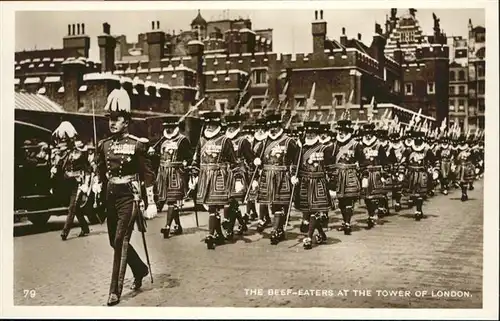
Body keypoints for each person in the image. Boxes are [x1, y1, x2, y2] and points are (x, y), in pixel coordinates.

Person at [94, 87, 156, 306]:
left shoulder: (136, 144)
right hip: (111, 196)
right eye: (110, 119)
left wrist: (151, 201)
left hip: (129, 197)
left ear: (126, 121)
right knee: (114, 240)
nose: (112, 123)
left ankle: (114, 291)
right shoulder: (104, 145)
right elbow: (101, 171)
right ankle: (140, 268)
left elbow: (148, 174)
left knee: (121, 240)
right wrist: (95, 186)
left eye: (117, 119)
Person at [190, 111, 237, 249]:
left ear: (217, 125)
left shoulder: (225, 140)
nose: (209, 127)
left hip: (220, 176)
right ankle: (218, 235)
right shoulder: (201, 140)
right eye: (207, 124)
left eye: (212, 124)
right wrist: (194, 175)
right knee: (212, 207)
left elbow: (233, 161)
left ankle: (211, 234)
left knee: (214, 206)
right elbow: (196, 159)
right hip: (205, 176)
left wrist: (238, 178)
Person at [253, 113, 299, 245]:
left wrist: (294, 174)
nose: (272, 129)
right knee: (273, 203)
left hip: (283, 175)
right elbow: (257, 159)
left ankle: (276, 229)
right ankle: (278, 228)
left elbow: (295, 159)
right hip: (267, 175)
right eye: (270, 126)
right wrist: (256, 169)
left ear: (279, 126)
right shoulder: (263, 142)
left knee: (280, 203)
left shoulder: (289, 141)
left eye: (275, 126)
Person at [291, 121, 334, 249]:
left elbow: (331, 168)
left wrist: (332, 186)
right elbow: (295, 165)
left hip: (319, 182)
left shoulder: (324, 148)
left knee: (314, 211)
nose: (309, 135)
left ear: (317, 134)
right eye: (308, 133)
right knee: (307, 211)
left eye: (312, 133)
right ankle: (321, 233)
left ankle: (308, 237)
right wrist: (294, 176)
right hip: (304, 183)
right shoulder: (301, 148)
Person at [151, 116, 192, 239]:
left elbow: (189, 157)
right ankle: (178, 226)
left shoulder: (183, 140)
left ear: (175, 127)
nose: (168, 129)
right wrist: (153, 153)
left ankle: (167, 226)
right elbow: (159, 157)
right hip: (163, 173)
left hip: (176, 173)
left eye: (171, 127)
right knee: (170, 201)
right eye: (166, 127)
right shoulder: (162, 141)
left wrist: (185, 165)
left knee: (172, 200)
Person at [51, 121, 91, 241]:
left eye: (65, 140)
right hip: (67, 184)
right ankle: (85, 228)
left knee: (72, 208)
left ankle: (65, 232)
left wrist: (86, 184)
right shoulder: (61, 154)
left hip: (78, 183)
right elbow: (59, 167)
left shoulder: (79, 152)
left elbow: (88, 168)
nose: (62, 143)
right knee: (76, 208)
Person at [328, 120, 362, 235]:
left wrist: (365, 175)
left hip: (350, 174)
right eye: (339, 131)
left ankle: (347, 223)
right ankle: (345, 221)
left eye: (344, 131)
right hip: (337, 175)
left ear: (348, 132)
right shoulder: (333, 145)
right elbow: (330, 161)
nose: (341, 133)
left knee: (349, 199)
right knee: (341, 200)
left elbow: (363, 161)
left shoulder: (356, 145)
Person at [223, 114, 254, 239]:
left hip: (238, 174)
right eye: (229, 126)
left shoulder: (243, 141)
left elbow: (250, 157)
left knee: (232, 201)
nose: (231, 129)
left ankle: (229, 230)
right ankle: (241, 223)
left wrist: (254, 175)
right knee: (231, 202)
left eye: (233, 126)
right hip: (224, 173)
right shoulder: (223, 140)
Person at [358, 123, 388, 228]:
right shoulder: (360, 145)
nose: (368, 135)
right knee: (366, 196)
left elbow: (384, 160)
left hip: (376, 173)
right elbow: (358, 159)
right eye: (366, 133)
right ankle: (370, 214)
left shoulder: (379, 145)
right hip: (364, 173)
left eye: (370, 133)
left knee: (376, 195)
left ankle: (373, 214)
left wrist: (385, 173)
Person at [403, 131, 434, 220]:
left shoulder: (426, 149)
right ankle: (415, 204)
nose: (418, 140)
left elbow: (434, 160)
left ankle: (418, 210)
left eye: (420, 138)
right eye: (416, 138)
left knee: (420, 193)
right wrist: (401, 171)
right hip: (411, 173)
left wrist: (435, 170)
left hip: (422, 173)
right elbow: (403, 160)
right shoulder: (409, 149)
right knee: (413, 193)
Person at [454, 135, 475, 201]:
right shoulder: (457, 149)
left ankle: (464, 194)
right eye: (460, 141)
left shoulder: (469, 149)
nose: (462, 142)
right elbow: (455, 158)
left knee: (466, 181)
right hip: (460, 166)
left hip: (467, 166)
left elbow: (472, 158)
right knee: (460, 181)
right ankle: (464, 193)